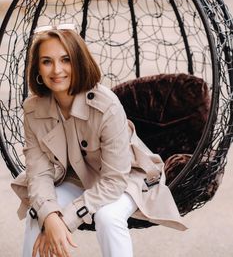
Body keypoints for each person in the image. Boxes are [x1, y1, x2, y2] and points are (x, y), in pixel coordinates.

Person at [11, 26, 186, 257]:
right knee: (39, 214)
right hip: (77, 177)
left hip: (124, 178)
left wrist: (66, 220)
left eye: (66, 59)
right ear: (37, 69)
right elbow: (39, 173)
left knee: (108, 216)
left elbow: (114, 180)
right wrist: (51, 217)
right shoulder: (33, 110)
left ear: (79, 62)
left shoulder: (106, 105)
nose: (57, 70)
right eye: (46, 61)